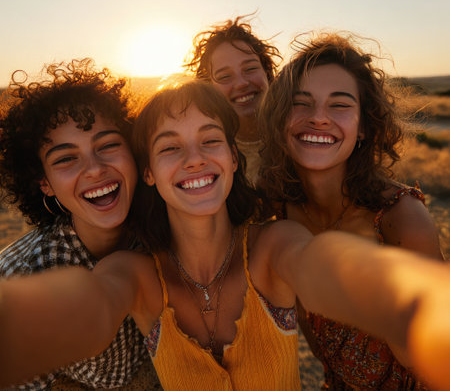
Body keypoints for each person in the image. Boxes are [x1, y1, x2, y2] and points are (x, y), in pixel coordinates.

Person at [0, 81, 446, 391]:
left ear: (234, 158)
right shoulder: (135, 272)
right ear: (150, 172)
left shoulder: (274, 246)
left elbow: (327, 268)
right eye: (171, 147)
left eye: (210, 140)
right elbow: (90, 306)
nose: (194, 159)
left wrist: (416, 300)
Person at [258, 31, 443, 389]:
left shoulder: (399, 218)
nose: (319, 118)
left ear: (363, 127)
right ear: (281, 120)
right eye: (301, 103)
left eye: (340, 104)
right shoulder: (277, 209)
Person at [0, 59, 150, 389]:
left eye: (109, 145)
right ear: (45, 184)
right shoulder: (30, 274)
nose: (94, 168)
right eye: (66, 158)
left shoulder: (162, 219)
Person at [184, 15, 282, 184]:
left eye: (250, 68)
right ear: (209, 87)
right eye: (225, 76)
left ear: (266, 72)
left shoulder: (296, 135)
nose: (242, 83)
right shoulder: (204, 155)